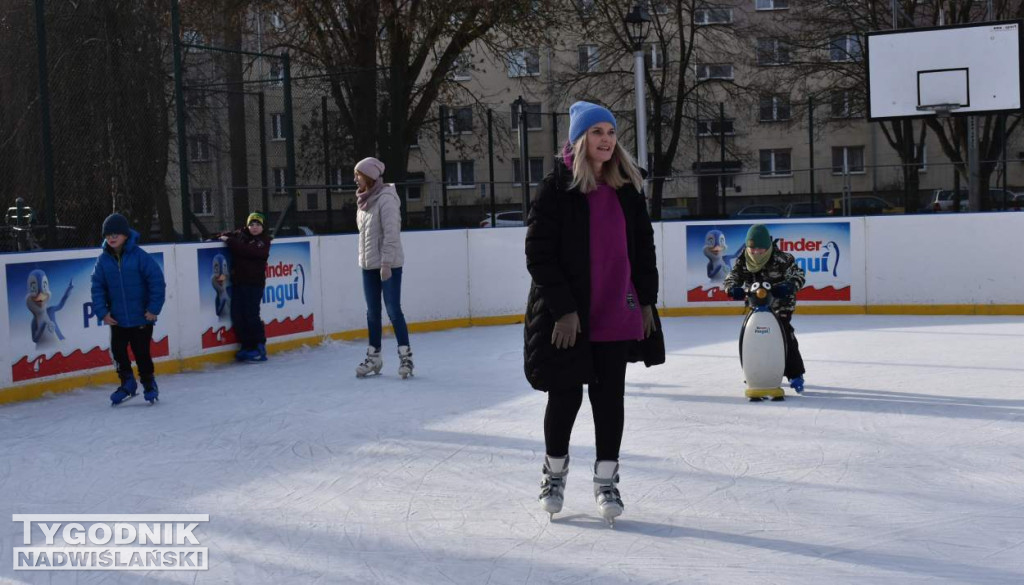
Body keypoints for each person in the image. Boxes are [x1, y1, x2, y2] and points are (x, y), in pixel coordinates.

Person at [523, 101, 663, 524]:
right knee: (564, 394)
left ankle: (606, 481)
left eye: (611, 132)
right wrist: (564, 310)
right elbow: (538, 254)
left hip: (615, 307)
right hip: (571, 314)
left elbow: (643, 250)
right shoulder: (557, 188)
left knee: (609, 397)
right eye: (597, 132)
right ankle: (555, 473)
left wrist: (645, 301)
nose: (606, 139)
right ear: (580, 138)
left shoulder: (626, 189)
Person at [90, 213, 166, 405]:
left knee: (142, 354)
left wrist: (153, 309)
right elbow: (97, 286)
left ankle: (149, 384)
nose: (111, 238)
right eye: (108, 235)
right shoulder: (103, 260)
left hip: (142, 317)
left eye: (115, 234)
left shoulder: (140, 257)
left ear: (125, 235)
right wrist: (102, 313)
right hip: (118, 319)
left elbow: (156, 282)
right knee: (118, 351)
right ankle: (127, 383)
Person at [723, 223, 806, 394]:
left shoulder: (783, 258)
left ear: (767, 247)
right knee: (752, 336)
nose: (756, 253)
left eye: (760, 250)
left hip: (781, 305)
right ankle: (755, 370)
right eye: (752, 249)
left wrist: (789, 286)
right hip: (757, 306)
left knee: (784, 334)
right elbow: (732, 277)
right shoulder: (743, 259)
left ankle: (795, 374)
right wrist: (732, 288)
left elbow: (799, 275)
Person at [353, 156, 414, 379]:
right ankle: (374, 357)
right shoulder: (363, 200)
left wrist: (386, 263)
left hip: (388, 265)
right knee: (372, 313)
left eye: (358, 175)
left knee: (393, 310)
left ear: (369, 176)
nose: (355, 179)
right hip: (368, 265)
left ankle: (406, 357)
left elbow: (391, 234)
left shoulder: (387, 199)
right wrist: (366, 261)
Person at [219, 211, 272, 362]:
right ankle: (247, 346)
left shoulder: (264, 242)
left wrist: (230, 241)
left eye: (257, 224)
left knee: (251, 314)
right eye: (251, 224)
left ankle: (259, 346)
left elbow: (247, 251)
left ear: (263, 227)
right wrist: (220, 237)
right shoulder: (241, 236)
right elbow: (228, 236)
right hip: (239, 283)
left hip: (254, 284)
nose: (254, 227)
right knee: (237, 315)